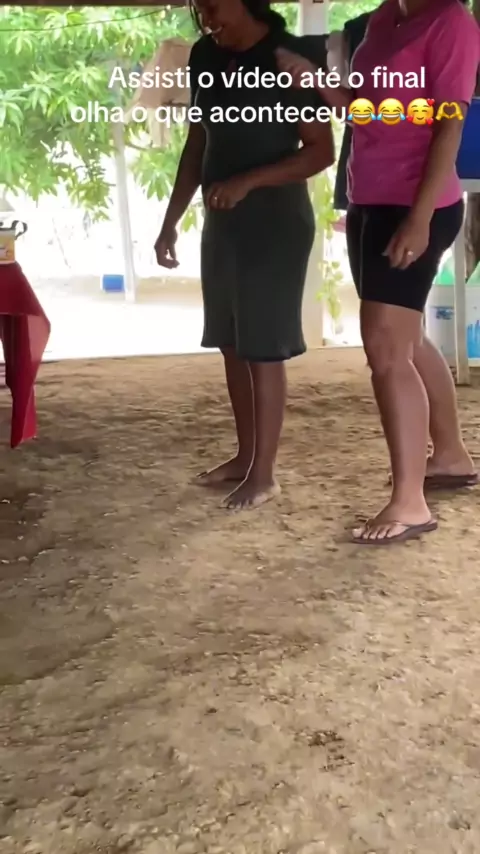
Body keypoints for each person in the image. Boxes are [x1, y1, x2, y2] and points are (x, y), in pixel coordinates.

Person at [277, 0, 480, 544]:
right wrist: (318, 83)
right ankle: (451, 456)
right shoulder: (385, 18)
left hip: (415, 204)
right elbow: (369, 111)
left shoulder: (450, 21)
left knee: (386, 349)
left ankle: (410, 503)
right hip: (369, 198)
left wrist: (419, 218)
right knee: (404, 340)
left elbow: (450, 123)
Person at [155, 0, 334, 509]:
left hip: (276, 223)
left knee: (263, 347)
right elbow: (197, 143)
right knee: (231, 342)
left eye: (214, 4)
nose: (205, 14)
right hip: (224, 219)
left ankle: (264, 474)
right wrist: (170, 221)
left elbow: (320, 151)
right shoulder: (204, 56)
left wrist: (249, 182)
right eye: (199, 5)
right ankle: (245, 455)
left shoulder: (288, 56)